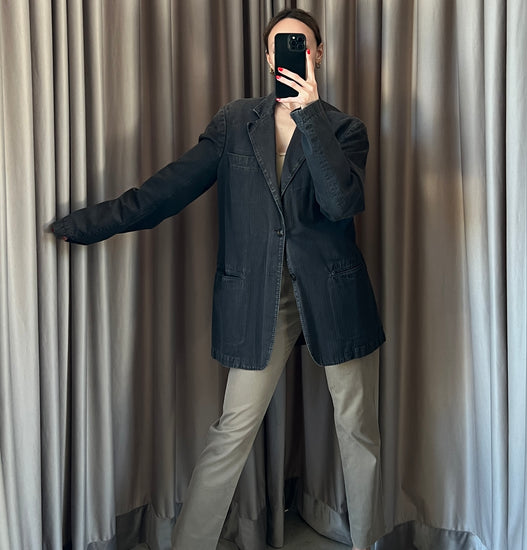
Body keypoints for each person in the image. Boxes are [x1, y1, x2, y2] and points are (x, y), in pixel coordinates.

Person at [52, 8, 385, 550]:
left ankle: (368, 542)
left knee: (358, 429)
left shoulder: (346, 129)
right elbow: (170, 188)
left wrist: (309, 116)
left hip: (335, 294)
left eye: (301, 44)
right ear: (269, 56)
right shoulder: (236, 122)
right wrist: (91, 224)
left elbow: (341, 202)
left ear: (318, 54)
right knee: (232, 430)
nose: (290, 53)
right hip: (260, 297)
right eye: (280, 45)